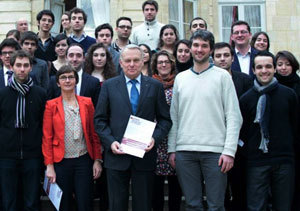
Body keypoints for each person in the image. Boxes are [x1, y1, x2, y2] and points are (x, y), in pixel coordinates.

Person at [168, 30, 242, 211]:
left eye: (204, 46)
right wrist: (172, 149)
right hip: (185, 151)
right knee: (192, 205)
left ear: (210, 50)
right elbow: (174, 116)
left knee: (216, 205)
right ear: (191, 48)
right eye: (196, 45)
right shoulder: (181, 78)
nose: (199, 49)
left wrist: (229, 151)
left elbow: (234, 116)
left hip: (215, 152)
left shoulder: (223, 76)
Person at [94, 44, 172, 211]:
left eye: (136, 60)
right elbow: (100, 120)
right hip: (116, 156)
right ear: (120, 63)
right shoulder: (109, 86)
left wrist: (155, 138)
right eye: (127, 60)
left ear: (143, 61)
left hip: (144, 156)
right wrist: (110, 142)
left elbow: (165, 120)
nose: (132, 64)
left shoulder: (155, 86)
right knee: (117, 205)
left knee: (143, 205)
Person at [239, 51, 298, 211]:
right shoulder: (246, 99)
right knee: (256, 207)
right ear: (253, 70)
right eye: (259, 67)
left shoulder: (289, 95)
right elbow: (242, 132)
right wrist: (248, 152)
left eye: (268, 66)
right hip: (256, 162)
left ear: (274, 69)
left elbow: (295, 126)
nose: (264, 70)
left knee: (283, 207)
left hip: (284, 161)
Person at [42, 65, 102, 211]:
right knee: (64, 204)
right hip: (61, 162)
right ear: (58, 83)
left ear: (76, 81)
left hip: (83, 160)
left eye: (71, 77)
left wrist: (97, 160)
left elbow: (94, 134)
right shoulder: (51, 105)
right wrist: (49, 166)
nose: (67, 80)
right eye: (63, 77)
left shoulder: (87, 102)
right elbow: (47, 137)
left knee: (85, 202)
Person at [0, 50, 47, 211]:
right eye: (18, 65)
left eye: (25, 65)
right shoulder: (2, 94)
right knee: (9, 201)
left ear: (31, 68)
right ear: (11, 67)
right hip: (6, 156)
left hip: (32, 155)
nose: (22, 69)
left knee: (32, 201)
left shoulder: (40, 93)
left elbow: (43, 124)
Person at [212, 42, 252, 211]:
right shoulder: (208, 80)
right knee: (219, 191)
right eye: (218, 56)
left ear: (232, 58)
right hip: (215, 142)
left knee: (240, 187)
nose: (222, 59)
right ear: (212, 59)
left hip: (240, 144)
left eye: (226, 55)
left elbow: (248, 113)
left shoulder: (244, 80)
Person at [150, 50, 182, 211]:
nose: (163, 65)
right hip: (154, 141)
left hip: (175, 139)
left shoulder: (180, 84)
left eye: (166, 62)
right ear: (155, 65)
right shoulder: (148, 84)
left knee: (176, 189)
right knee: (156, 191)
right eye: (160, 62)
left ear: (172, 64)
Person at [274, 50, 300, 211]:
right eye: (280, 64)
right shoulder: (269, 86)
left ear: (293, 66)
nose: (283, 68)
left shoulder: (298, 85)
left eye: (287, 64)